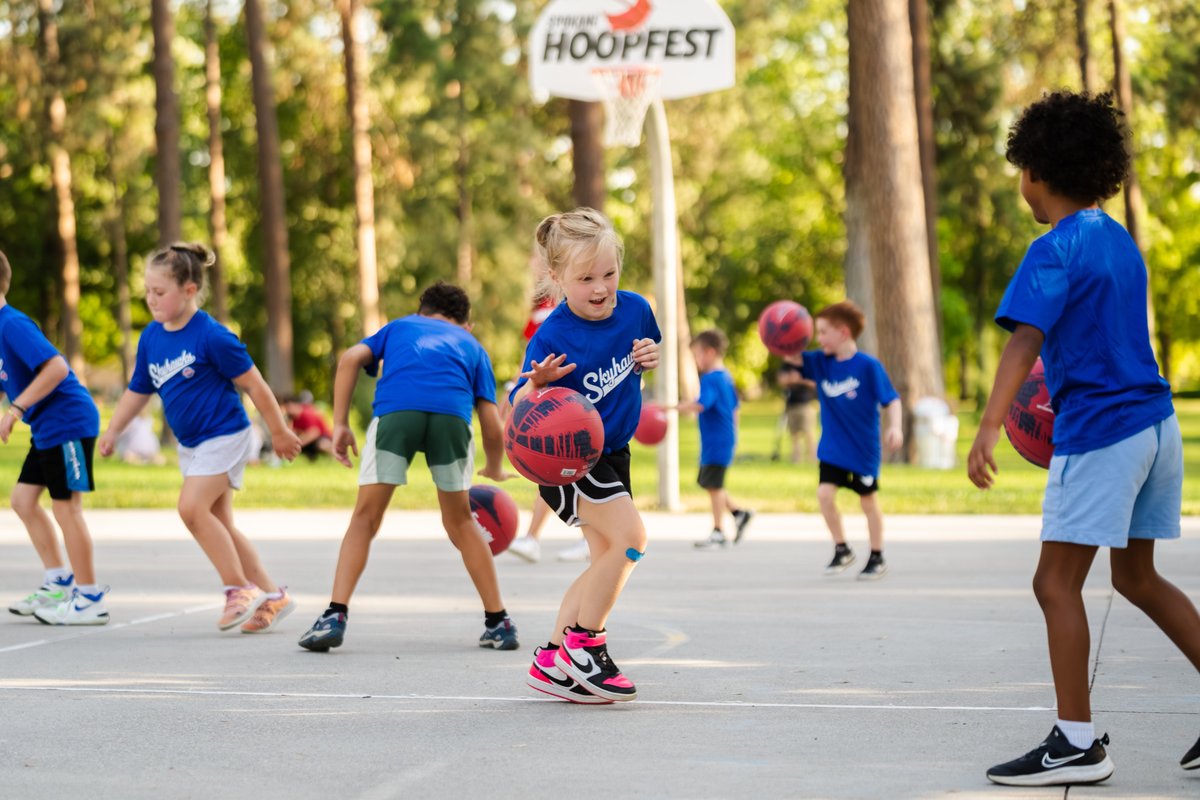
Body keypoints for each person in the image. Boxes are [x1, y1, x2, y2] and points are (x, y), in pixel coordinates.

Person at [967, 90, 1200, 786]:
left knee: (1054, 583)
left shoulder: (1054, 249)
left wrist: (985, 428)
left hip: (1101, 432)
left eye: (1022, 171)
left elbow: (1022, 347)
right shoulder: (1116, 238)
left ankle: (1076, 741)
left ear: (1036, 172)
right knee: (1135, 576)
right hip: (1157, 427)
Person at [297, 282, 517, 653]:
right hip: (452, 420)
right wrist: (494, 466)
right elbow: (491, 423)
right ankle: (499, 622)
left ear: (421, 312)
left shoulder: (400, 327)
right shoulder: (473, 347)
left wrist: (339, 424)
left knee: (365, 518)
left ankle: (334, 615)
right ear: (467, 324)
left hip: (398, 414)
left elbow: (351, 358)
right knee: (461, 522)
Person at [98, 243, 302, 634]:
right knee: (219, 520)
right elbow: (138, 390)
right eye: (147, 291)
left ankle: (237, 589)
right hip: (191, 445)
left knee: (191, 509)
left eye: (160, 292)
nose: (151, 300)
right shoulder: (152, 338)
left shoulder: (213, 336)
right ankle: (272, 593)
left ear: (189, 290)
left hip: (225, 435)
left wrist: (278, 430)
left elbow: (255, 385)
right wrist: (113, 430)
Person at [510, 208, 660, 704]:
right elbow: (516, 403)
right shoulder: (551, 337)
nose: (601, 287)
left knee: (606, 559)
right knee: (632, 540)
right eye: (586, 278)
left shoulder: (635, 309)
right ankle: (585, 645)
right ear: (556, 278)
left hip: (615, 453)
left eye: (610, 274)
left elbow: (649, 349)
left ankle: (553, 659)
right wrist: (536, 385)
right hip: (570, 461)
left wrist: (649, 359)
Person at [0, 249, 109, 625]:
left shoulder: (11, 324)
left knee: (67, 509)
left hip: (68, 421)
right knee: (23, 500)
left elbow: (57, 368)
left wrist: (15, 411)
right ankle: (58, 582)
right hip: (48, 425)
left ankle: (91, 599)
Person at [801, 301, 902, 580]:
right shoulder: (820, 363)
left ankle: (877, 555)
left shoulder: (868, 366)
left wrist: (895, 427)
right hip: (832, 448)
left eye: (823, 332)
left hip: (863, 450)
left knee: (868, 503)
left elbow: (891, 400)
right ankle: (842, 548)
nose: (818, 339)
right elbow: (792, 357)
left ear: (843, 332)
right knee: (824, 495)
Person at [506, 261, 589, 565]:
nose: (534, 267)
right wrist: (520, 390)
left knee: (559, 468)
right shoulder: (544, 309)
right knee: (556, 469)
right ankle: (539, 537)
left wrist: (520, 387)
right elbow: (532, 354)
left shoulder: (562, 310)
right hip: (551, 397)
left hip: (568, 401)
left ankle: (542, 538)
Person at [677, 329, 753, 549]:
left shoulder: (710, 378)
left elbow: (702, 404)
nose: (696, 360)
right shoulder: (725, 376)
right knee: (709, 482)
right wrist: (733, 435)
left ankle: (719, 531)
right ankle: (740, 514)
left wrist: (677, 406)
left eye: (697, 355)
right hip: (721, 439)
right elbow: (736, 409)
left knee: (715, 485)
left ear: (710, 352)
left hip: (717, 440)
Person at [777, 352, 818, 463]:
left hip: (806, 404)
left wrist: (798, 380)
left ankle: (812, 457)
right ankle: (796, 457)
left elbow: (814, 382)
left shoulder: (806, 366)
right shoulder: (786, 367)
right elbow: (782, 380)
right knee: (794, 433)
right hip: (791, 404)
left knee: (809, 433)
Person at [282, 394, 332, 460]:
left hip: (323, 437)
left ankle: (333, 455)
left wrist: (297, 444)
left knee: (322, 444)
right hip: (309, 441)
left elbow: (314, 433)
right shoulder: (294, 418)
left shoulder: (306, 414)